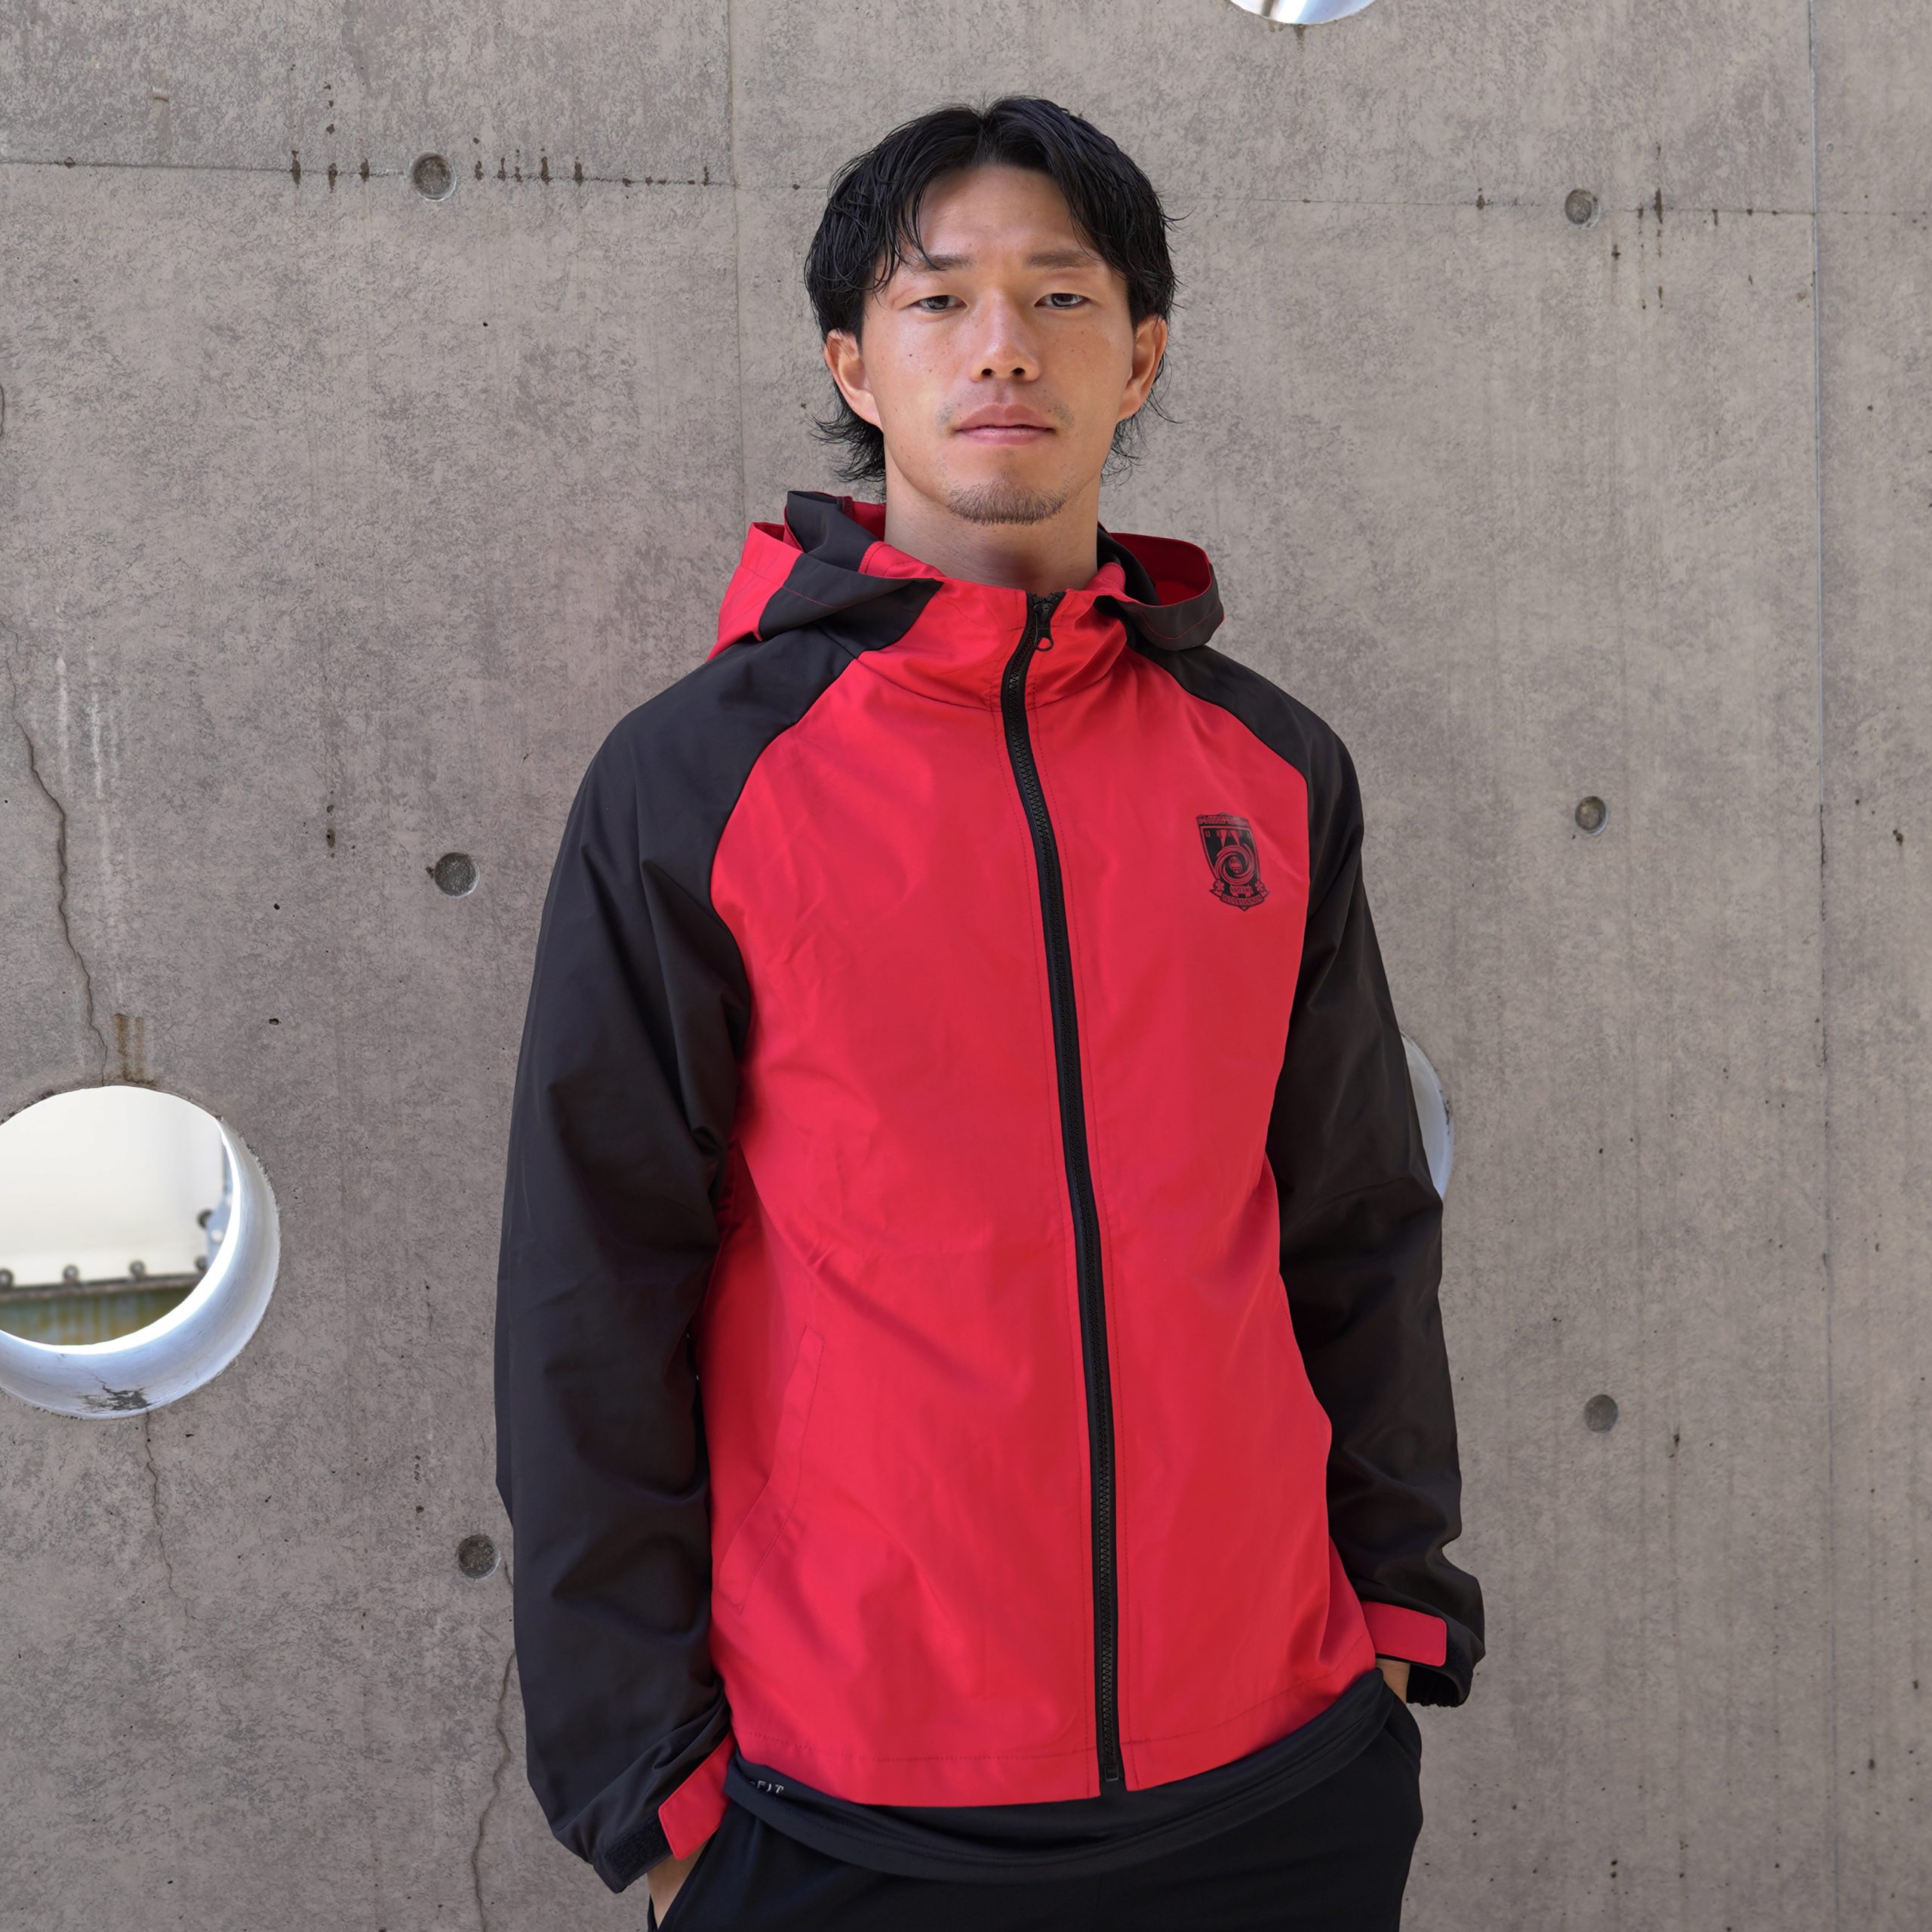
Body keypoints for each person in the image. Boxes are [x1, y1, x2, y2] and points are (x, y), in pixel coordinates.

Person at [493, 94, 1484, 1932]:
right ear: (852, 366)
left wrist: (1395, 1602)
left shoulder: (1269, 768)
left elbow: (1352, 1214)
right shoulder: (695, 777)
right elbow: (590, 1287)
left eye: (1060, 294)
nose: (1002, 344)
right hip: (844, 1801)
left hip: (1274, 1771)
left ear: (1140, 356)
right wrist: (646, 1783)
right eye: (937, 297)